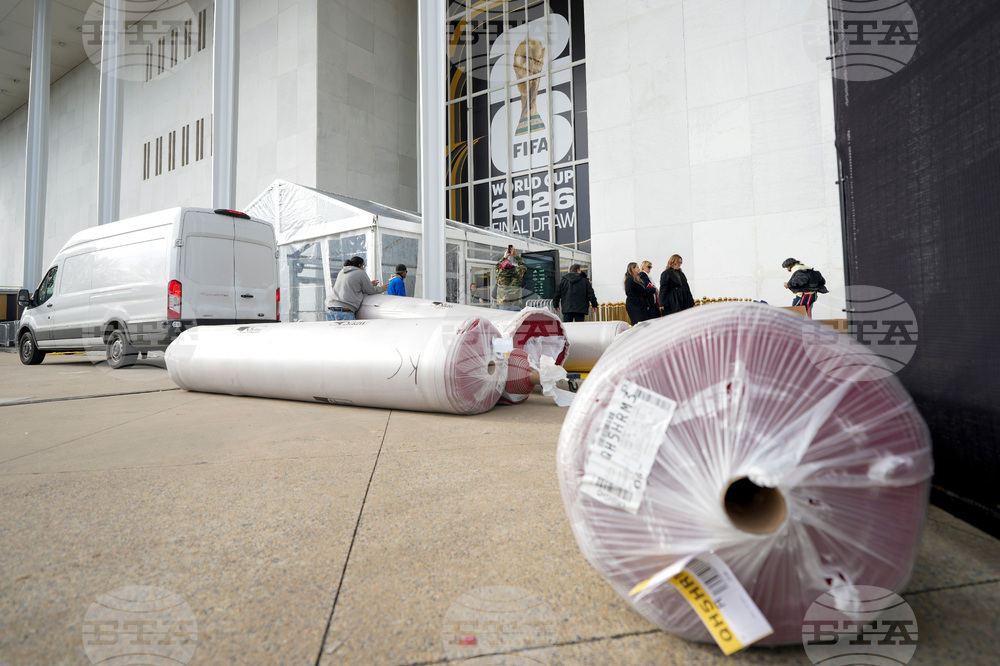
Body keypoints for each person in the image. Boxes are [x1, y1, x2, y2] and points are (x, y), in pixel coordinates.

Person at [326, 256, 385, 320]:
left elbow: (349, 285)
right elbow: (370, 290)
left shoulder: (342, 272)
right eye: (363, 266)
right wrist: (382, 288)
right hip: (344, 311)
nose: (363, 268)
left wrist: (369, 284)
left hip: (331, 310)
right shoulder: (360, 273)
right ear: (359, 265)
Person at [494, 245, 527, 311]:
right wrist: (515, 255)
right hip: (515, 304)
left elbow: (496, 266)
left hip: (502, 304)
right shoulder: (517, 273)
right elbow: (523, 266)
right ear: (511, 266)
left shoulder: (499, 274)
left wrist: (504, 257)